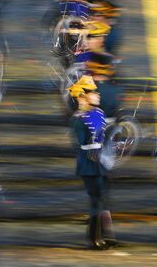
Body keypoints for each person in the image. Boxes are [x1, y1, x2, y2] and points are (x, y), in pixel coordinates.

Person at [68, 76, 117, 249]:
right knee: (95, 200)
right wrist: (95, 152)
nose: (97, 94)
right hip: (89, 163)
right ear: (83, 97)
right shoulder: (78, 119)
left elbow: (103, 136)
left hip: (101, 161)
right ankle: (92, 239)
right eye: (92, 92)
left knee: (103, 198)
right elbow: (81, 143)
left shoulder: (99, 113)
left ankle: (105, 235)